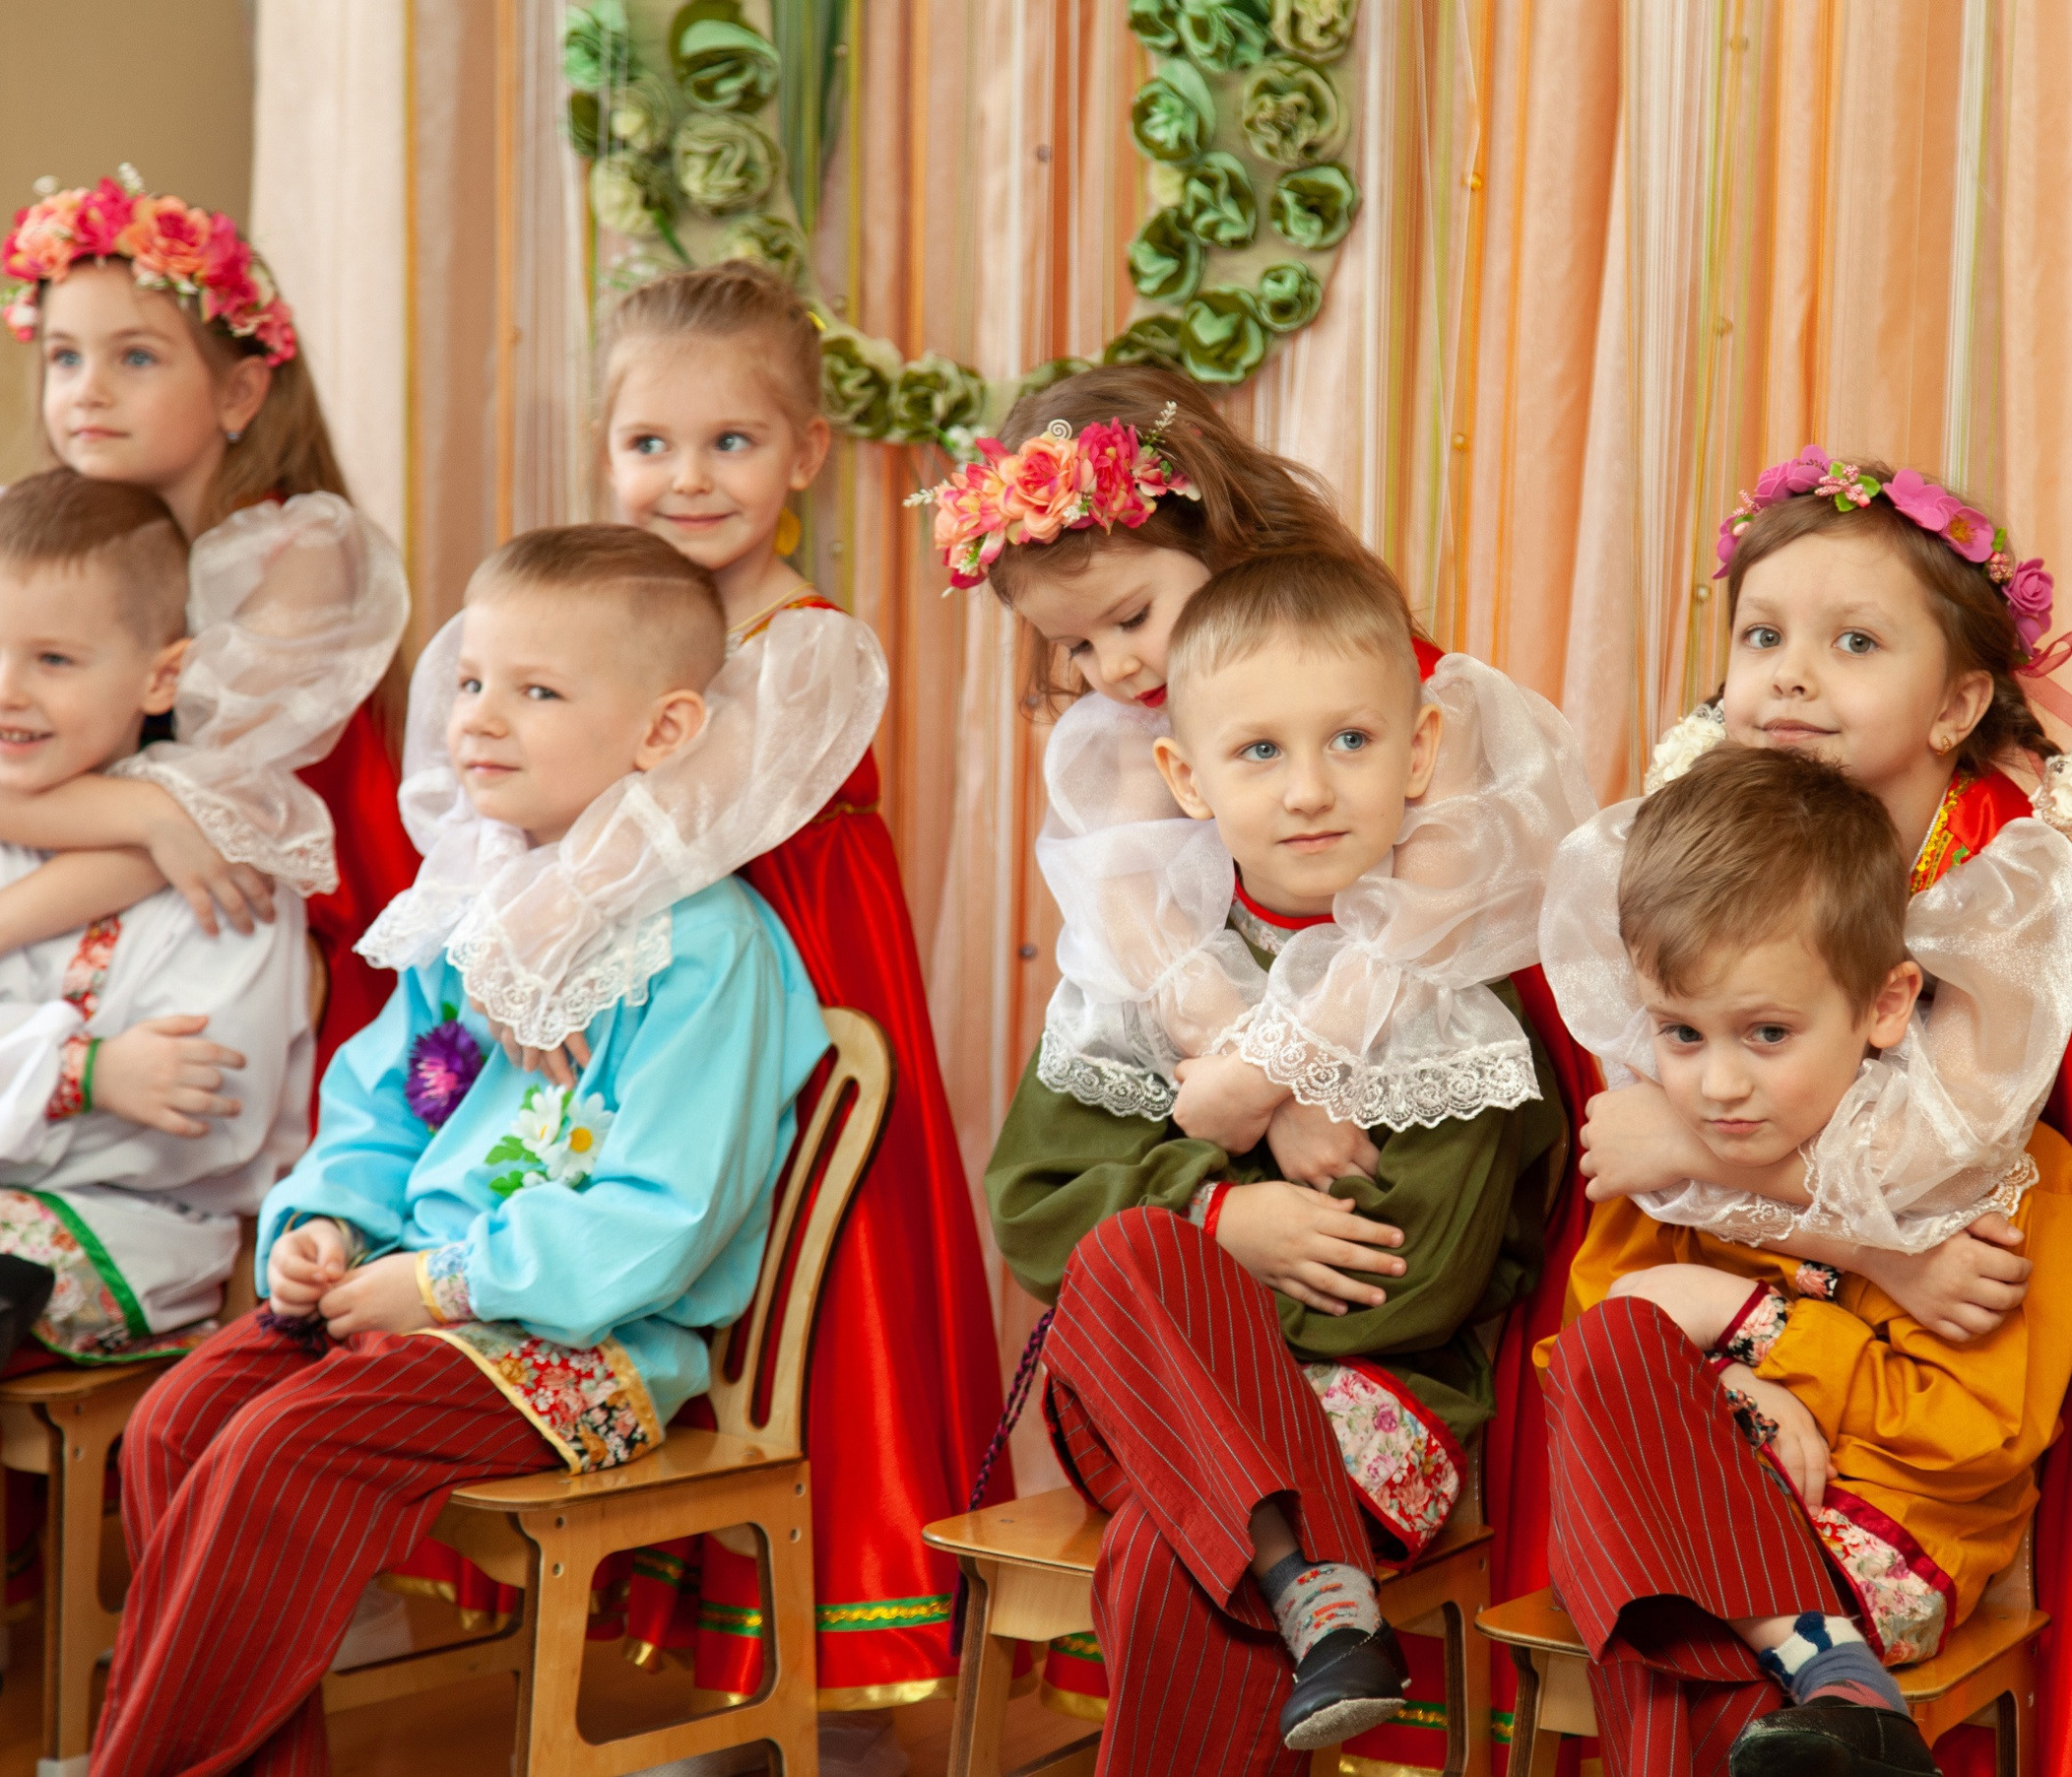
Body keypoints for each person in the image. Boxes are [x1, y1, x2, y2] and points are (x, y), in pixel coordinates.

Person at [1560, 450, 2072, 1774]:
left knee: (1695, 1616)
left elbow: (1954, 1175)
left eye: (1853, 642)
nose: (1794, 673)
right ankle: (1825, 1689)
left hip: (1941, 1400)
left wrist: (1704, 1155)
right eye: (1763, 636)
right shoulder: (1693, 856)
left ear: (1959, 701)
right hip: (1747, 1367)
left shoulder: (2014, 909)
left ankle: (1834, 1681)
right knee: (1630, 1421)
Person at [86, 524, 832, 1776]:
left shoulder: (704, 946)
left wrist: (439, 1285)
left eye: (538, 692)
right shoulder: (470, 910)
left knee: (283, 1443)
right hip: (396, 1298)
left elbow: (665, 1213)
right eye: (476, 680)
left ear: (661, 733)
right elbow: (380, 1106)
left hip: (580, 1345)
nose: (480, 718)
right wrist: (326, 1230)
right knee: (177, 1417)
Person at [424, 261, 1003, 1734]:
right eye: (650, 445)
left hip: (794, 974)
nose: (687, 480)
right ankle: (691, 1663)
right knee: (635, 1254)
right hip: (645, 989)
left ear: (807, 452)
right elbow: (496, 813)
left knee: (815, 1288)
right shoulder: (586, 628)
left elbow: (674, 834)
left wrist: (536, 939)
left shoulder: (801, 643)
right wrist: (514, 949)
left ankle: (827, 1674)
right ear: (605, 451)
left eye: (731, 444)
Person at [984, 551, 1571, 1771]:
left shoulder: (1449, 994)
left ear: (1418, 756)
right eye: (1259, 753)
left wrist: (1205, 1243)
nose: (1308, 790)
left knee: (1169, 1548)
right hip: (1145, 1402)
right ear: (1183, 776)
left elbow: (1411, 1281)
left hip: (1379, 1412)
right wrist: (1222, 1224)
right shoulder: (1146, 967)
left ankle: (1305, 1582)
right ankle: (1312, 1577)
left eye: (1350, 741)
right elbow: (1036, 1210)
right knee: (1143, 1242)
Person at [1536, 743, 2072, 1777]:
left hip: (1878, 1539)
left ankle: (1828, 1657)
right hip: (1690, 1521)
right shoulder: (1659, 1153)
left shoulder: (2010, 1182)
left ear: (1885, 1003)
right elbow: (1593, 1364)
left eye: (1765, 1032)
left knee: (1667, 1632)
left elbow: (1973, 1439)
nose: (1715, 1085)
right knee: (1647, 1500)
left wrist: (1757, 1324)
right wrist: (1748, 1395)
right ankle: (1835, 1679)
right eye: (1678, 1031)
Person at [0, 471, 313, 1774]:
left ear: (159, 671)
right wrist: (75, 1067)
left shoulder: (221, 868)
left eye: (53, 659)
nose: (3, 692)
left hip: (122, 1225)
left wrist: (14, 1094)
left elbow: (201, 1113)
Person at [0, 165, 413, 1080]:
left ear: (240, 395)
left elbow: (224, 831)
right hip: (120, 886)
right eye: (64, 357)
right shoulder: (41, 539)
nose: (88, 389)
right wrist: (147, 812)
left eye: (135, 358)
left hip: (288, 910)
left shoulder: (299, 552)